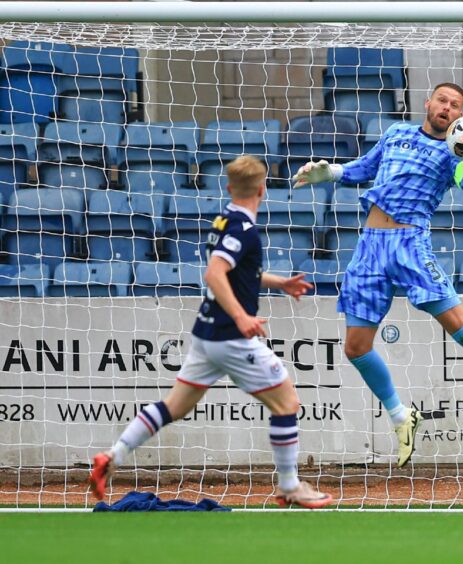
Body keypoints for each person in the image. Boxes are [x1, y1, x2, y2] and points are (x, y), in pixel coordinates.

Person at [293, 83, 463, 468]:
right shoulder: (396, 133)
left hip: (411, 245)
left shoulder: (453, 150)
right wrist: (331, 172)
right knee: (355, 347)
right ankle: (401, 417)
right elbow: (366, 167)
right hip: (370, 247)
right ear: (428, 103)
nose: (447, 108)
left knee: (460, 327)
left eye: (455, 106)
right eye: (442, 100)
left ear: (460, 116)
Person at [88, 155, 333, 509]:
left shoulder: (224, 220)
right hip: (229, 336)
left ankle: (113, 455)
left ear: (231, 188)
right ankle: (289, 486)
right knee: (287, 402)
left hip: (206, 334)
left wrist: (278, 282)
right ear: (263, 189)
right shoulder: (243, 230)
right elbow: (215, 274)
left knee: (173, 406)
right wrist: (241, 317)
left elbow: (232, 271)